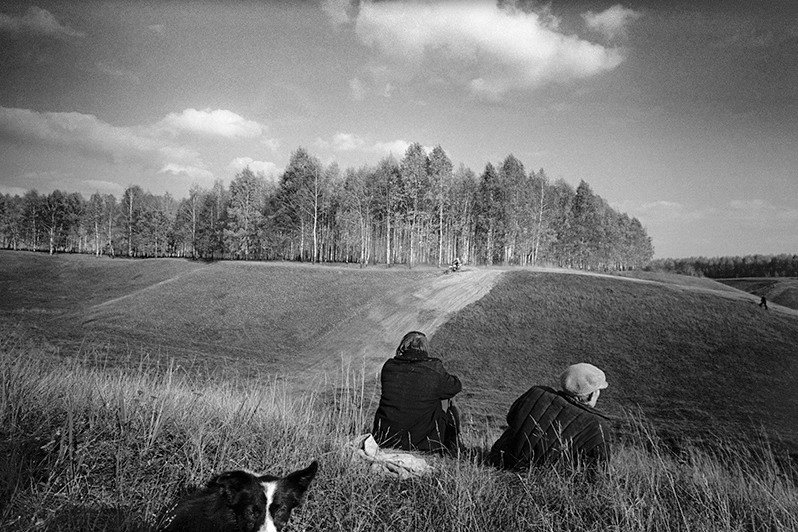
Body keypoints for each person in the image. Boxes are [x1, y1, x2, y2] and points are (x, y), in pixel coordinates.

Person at [488, 363, 612, 470]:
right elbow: (598, 469)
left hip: (500, 461)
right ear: (592, 395)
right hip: (544, 479)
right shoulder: (597, 426)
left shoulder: (536, 393)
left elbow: (511, 418)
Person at [373, 331, 462, 454]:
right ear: (425, 348)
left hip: (386, 439)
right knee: (447, 397)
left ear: (403, 346)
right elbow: (455, 386)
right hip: (423, 443)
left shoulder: (389, 366)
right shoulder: (434, 368)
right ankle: (453, 445)